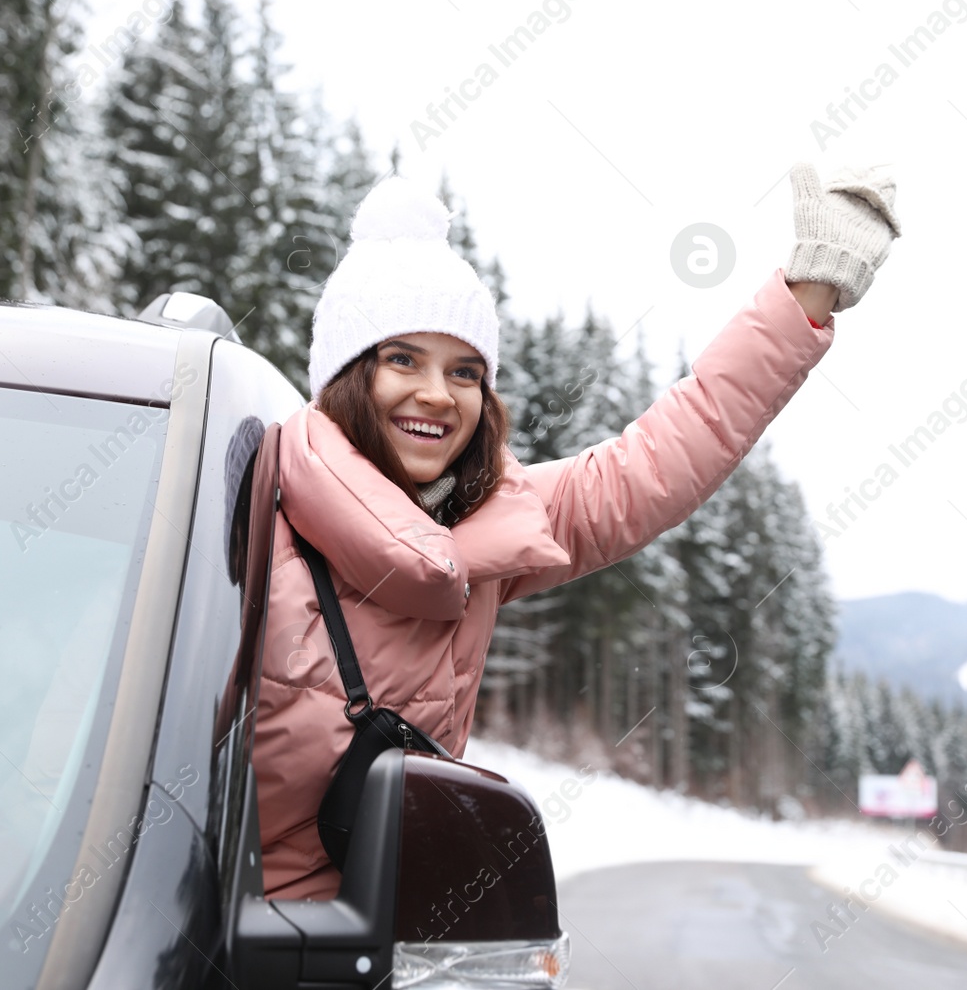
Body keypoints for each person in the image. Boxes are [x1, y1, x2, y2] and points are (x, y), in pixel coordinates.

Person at [252, 162, 902, 900]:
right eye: (402, 358)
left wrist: (808, 291)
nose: (438, 393)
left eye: (466, 371)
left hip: (385, 950)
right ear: (344, 374)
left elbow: (665, 455)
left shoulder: (482, 530)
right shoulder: (248, 512)